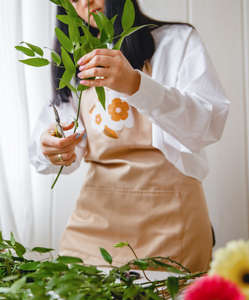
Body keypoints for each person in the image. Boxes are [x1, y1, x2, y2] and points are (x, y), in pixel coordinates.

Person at [28, 0, 230, 272]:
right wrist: (52, 148)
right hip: (95, 222)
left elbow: (208, 124)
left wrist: (137, 86)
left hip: (172, 222)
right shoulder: (75, 60)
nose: (86, 2)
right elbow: (58, 146)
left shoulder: (177, 41)